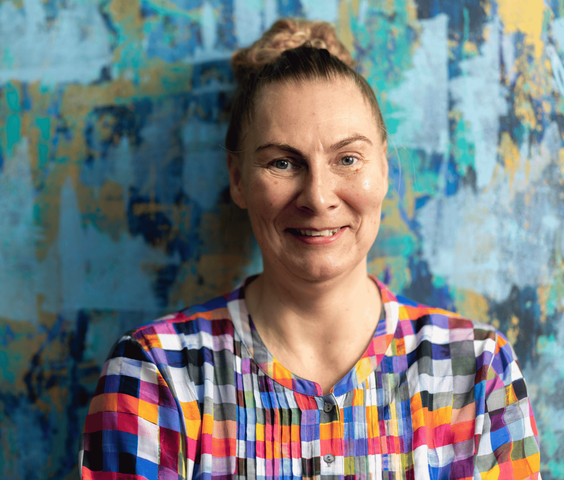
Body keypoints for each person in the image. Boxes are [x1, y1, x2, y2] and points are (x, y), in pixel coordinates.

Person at [79, 19, 540, 479]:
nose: (318, 197)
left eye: (347, 159)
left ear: (384, 168)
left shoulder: (478, 372)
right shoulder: (156, 374)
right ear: (238, 178)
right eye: (283, 162)